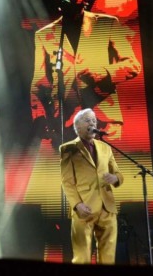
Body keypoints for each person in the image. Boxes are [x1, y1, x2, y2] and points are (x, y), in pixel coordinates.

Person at [31, 0, 141, 150]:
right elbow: (39, 81)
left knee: (106, 173)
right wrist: (39, 115)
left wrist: (104, 72)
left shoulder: (108, 24)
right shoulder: (44, 35)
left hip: (103, 118)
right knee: (72, 175)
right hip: (64, 121)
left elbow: (133, 65)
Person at [59, 108, 124, 264]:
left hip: (107, 208)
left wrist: (115, 178)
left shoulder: (105, 147)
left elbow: (119, 174)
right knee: (82, 257)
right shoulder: (68, 148)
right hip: (84, 208)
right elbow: (67, 181)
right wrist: (77, 204)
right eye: (88, 120)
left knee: (108, 257)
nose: (93, 123)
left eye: (94, 120)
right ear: (78, 126)